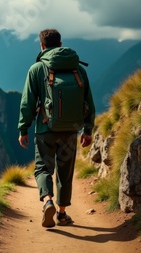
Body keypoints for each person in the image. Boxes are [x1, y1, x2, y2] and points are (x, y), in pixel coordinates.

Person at [17, 28, 95, 227]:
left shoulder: (36, 69)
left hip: (45, 130)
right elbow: (88, 102)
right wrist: (87, 130)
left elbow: (27, 102)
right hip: (71, 129)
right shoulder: (79, 69)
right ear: (60, 44)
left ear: (42, 45)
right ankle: (61, 213)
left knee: (43, 168)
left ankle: (47, 201)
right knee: (65, 171)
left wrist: (23, 129)